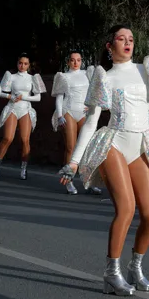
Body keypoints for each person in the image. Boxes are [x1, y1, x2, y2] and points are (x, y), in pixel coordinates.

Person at [59, 26, 149, 295]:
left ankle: (135, 266)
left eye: (131, 39)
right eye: (121, 39)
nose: (128, 43)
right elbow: (92, 122)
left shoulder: (145, 69)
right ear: (110, 46)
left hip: (141, 143)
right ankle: (111, 273)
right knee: (127, 209)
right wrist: (73, 162)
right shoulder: (103, 76)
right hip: (114, 143)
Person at [0, 54, 44, 180]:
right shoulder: (11, 76)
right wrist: (10, 96)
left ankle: (23, 169)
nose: (22, 65)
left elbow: (38, 97)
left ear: (29, 65)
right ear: (17, 63)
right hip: (12, 108)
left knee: (25, 140)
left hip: (25, 109)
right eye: (20, 63)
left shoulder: (33, 78)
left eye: (25, 63)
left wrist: (24, 97)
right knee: (7, 138)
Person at [51, 51, 95, 195]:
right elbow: (59, 97)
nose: (75, 63)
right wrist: (59, 115)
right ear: (68, 62)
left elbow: (94, 92)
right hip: (69, 111)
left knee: (88, 147)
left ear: (82, 61)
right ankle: (68, 181)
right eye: (72, 60)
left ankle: (90, 181)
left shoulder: (88, 73)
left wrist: (92, 106)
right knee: (71, 147)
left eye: (78, 60)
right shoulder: (63, 76)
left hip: (84, 112)